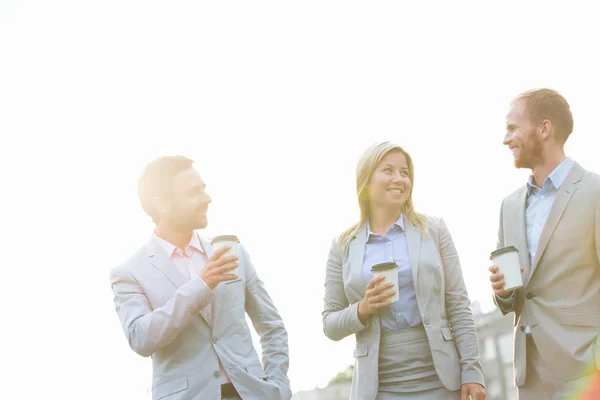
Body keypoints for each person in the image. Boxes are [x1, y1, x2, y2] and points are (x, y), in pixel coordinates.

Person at [110, 156, 291, 400]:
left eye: (203, 189)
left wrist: (278, 387)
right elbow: (141, 338)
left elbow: (272, 327)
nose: (208, 199)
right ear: (163, 204)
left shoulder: (231, 251)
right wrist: (200, 287)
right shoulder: (130, 272)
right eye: (194, 192)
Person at [322, 142, 486, 400]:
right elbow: (329, 324)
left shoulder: (434, 230)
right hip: (378, 386)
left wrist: (472, 372)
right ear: (366, 179)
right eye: (388, 170)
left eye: (405, 172)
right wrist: (362, 308)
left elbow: (458, 305)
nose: (399, 179)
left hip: (442, 379)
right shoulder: (342, 246)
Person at [489, 88, 600, 399]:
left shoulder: (595, 192)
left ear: (544, 128)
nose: (505, 139)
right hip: (530, 374)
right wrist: (502, 291)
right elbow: (513, 299)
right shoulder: (508, 206)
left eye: (512, 128)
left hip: (585, 370)